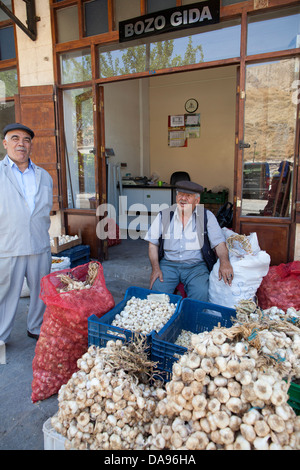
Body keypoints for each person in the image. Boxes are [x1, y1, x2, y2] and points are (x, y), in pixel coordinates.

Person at [0, 123, 53, 343]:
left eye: (26, 140)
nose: (21, 143)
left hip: (39, 243)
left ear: (31, 146)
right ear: (5, 144)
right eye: (15, 138)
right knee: (5, 293)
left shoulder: (44, 175)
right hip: (8, 244)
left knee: (41, 291)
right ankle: (1, 335)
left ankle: (36, 326)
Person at [144, 180, 234, 301]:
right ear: (176, 197)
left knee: (201, 293)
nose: (183, 199)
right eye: (180, 194)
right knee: (156, 294)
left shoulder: (207, 216)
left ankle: (189, 318)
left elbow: (219, 243)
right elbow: (153, 244)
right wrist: (155, 268)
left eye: (188, 196)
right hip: (168, 264)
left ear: (197, 201)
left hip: (196, 266)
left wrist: (225, 262)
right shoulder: (164, 215)